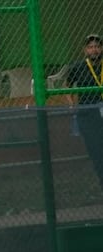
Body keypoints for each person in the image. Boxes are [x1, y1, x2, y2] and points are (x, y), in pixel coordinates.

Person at [66, 33, 103, 188]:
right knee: (96, 150)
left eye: (97, 47)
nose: (94, 50)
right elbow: (66, 88)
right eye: (90, 47)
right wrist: (72, 105)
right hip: (88, 113)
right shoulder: (78, 67)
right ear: (85, 50)